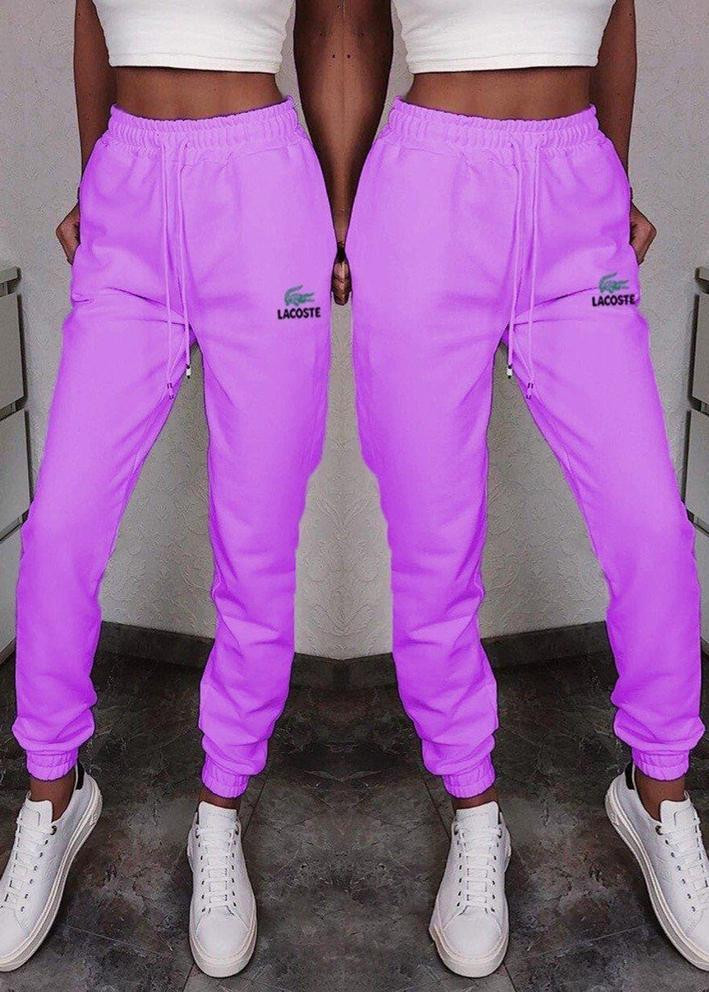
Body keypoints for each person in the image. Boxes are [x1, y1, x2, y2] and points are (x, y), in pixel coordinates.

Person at [344, 0, 708, 978]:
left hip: (575, 194)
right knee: (433, 539)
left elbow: (617, 16)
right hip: (422, 197)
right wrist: (338, 210)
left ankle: (658, 791)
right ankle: (474, 809)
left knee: (649, 525)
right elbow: (354, 29)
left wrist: (611, 175)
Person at [0, 0, 340, 977]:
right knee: (61, 525)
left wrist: (341, 210)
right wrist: (96, 173)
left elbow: (332, 29)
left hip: (266, 195)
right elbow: (90, 19)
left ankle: (220, 806)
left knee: (256, 538)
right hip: (128, 193)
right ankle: (53, 793)